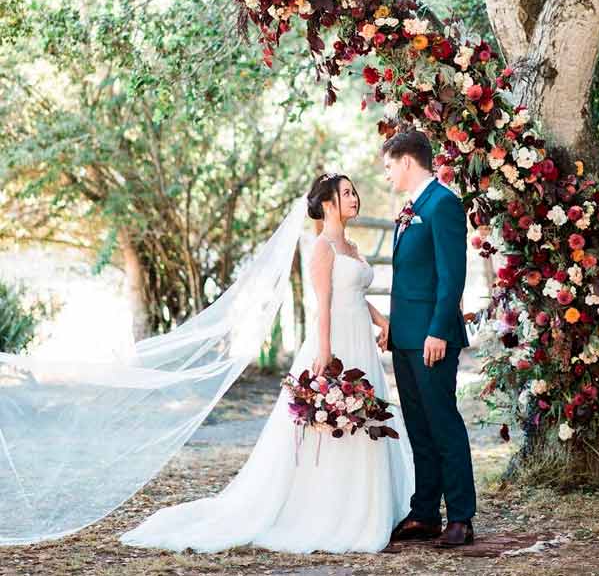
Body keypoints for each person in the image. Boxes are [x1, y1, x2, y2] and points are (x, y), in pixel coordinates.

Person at [119, 173, 414, 554]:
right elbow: (322, 305)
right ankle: (327, 509)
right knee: (331, 425)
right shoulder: (322, 247)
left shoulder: (352, 245)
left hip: (363, 345)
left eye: (354, 192)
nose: (354, 198)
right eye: (346, 193)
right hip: (336, 343)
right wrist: (325, 355)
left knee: (365, 421)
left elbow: (354, 294)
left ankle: (367, 506)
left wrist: (381, 321)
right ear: (327, 204)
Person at [381, 129, 477, 548]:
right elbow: (408, 275)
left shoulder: (443, 204)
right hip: (404, 337)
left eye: (388, 166)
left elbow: (451, 275)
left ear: (407, 161)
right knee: (418, 427)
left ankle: (460, 518)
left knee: (443, 425)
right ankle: (424, 513)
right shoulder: (410, 208)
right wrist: (392, 325)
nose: (386, 175)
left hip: (432, 338)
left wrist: (438, 329)